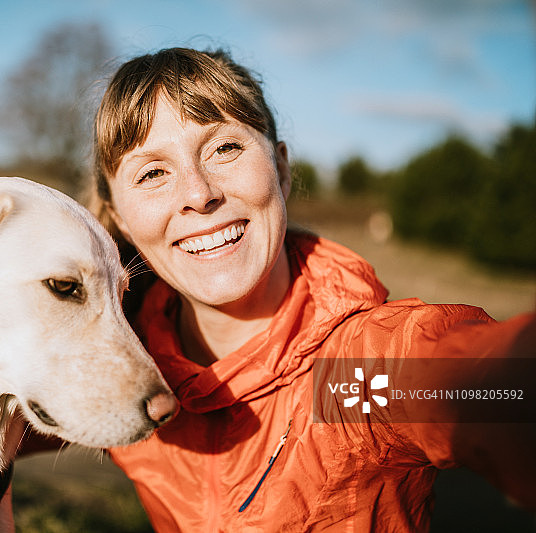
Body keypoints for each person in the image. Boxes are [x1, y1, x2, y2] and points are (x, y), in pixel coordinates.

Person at [60, 46, 535, 531]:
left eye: (224, 148)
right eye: (153, 172)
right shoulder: (125, 364)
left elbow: (489, 381)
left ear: (282, 170)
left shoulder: (346, 380)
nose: (199, 195)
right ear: (118, 216)